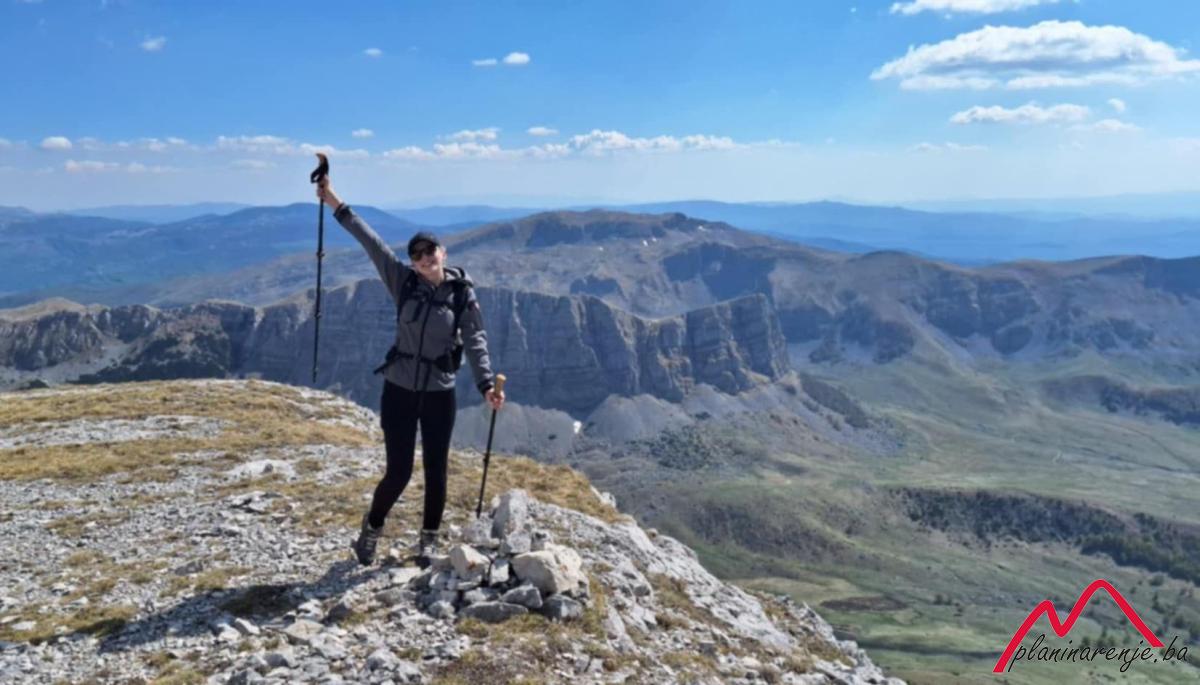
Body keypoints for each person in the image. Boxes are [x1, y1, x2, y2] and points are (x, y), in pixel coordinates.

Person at [316, 177, 505, 567]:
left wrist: (486, 384)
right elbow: (370, 242)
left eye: (429, 251)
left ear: (442, 252)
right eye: (416, 255)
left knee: (436, 470)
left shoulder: (462, 294)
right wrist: (333, 200)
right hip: (399, 389)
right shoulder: (402, 281)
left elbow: (476, 340)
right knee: (398, 471)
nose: (423, 259)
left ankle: (428, 541)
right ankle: (372, 528)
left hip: (439, 393)